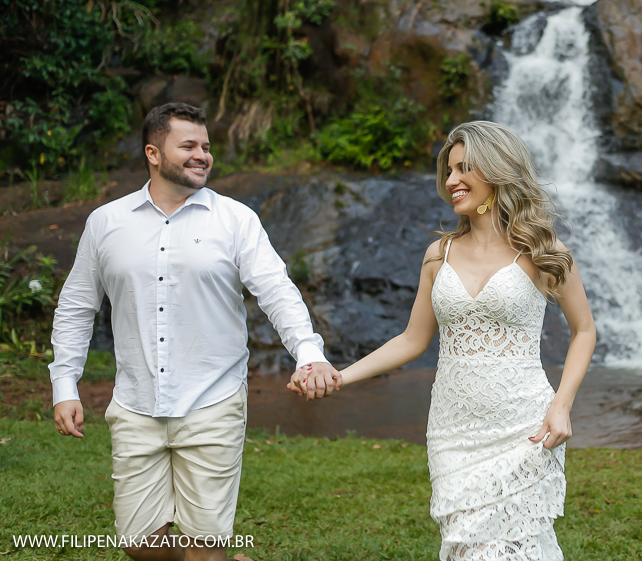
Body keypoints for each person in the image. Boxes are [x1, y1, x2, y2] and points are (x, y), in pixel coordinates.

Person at [290, 120, 597, 560]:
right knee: (465, 547)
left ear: (496, 169)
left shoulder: (543, 250)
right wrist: (340, 375)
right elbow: (412, 340)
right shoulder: (440, 255)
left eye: (463, 169)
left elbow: (584, 330)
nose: (451, 181)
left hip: (521, 426)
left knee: (515, 546)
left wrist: (562, 404)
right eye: (448, 171)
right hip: (453, 431)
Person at [50, 102, 340, 561]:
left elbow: (276, 291)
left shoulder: (235, 219)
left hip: (213, 400)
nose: (202, 155)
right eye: (188, 145)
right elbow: (76, 306)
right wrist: (65, 384)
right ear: (153, 152)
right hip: (136, 404)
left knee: (203, 549)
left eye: (206, 146)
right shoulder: (106, 222)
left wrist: (309, 353)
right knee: (140, 547)